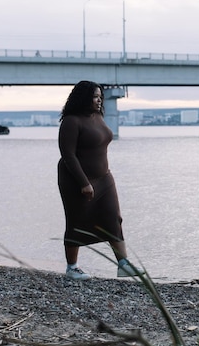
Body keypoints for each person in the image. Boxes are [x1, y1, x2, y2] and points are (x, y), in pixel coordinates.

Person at [58, 80, 141, 280]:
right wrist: (84, 183)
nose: (99, 100)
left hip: (104, 178)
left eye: (100, 97)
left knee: (113, 218)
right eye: (95, 97)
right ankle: (72, 268)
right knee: (76, 221)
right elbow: (68, 155)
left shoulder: (98, 116)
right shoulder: (71, 121)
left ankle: (124, 264)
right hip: (76, 180)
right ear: (83, 98)